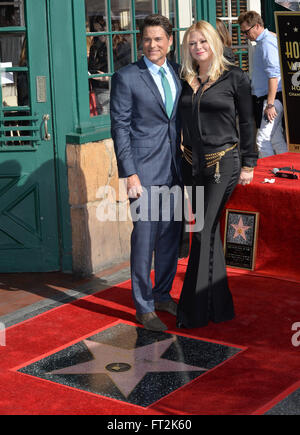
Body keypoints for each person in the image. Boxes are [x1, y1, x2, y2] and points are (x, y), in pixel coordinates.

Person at [176, 20, 258, 329]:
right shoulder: (184, 79)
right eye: (193, 43)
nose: (198, 47)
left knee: (201, 231)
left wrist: (250, 163)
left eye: (203, 42)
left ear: (215, 43)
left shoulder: (235, 78)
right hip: (191, 165)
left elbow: (248, 123)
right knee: (206, 232)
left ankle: (193, 311)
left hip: (223, 163)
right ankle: (219, 307)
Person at [110, 14, 182, 332]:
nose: (152, 45)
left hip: (176, 170)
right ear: (142, 41)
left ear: (169, 41)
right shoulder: (127, 77)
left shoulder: (180, 72)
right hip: (143, 171)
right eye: (147, 39)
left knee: (169, 237)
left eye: (158, 39)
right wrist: (130, 173)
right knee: (144, 239)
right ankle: (143, 305)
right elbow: (120, 128)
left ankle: (163, 293)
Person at [238, 11, 287, 158]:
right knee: (275, 139)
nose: (245, 36)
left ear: (257, 26)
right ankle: (287, 168)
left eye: (246, 32)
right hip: (270, 98)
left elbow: (274, 75)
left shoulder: (266, 43)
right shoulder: (266, 40)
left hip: (271, 98)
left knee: (262, 140)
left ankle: (268, 173)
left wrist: (270, 104)